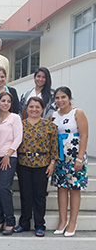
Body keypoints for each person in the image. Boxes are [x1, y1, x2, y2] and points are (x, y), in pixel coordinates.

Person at [14, 97, 58, 237]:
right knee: (26, 195)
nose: (34, 109)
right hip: (24, 164)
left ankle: (40, 225)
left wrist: (52, 164)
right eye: (31, 107)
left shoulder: (50, 125)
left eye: (37, 107)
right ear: (26, 109)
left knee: (39, 196)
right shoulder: (20, 125)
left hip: (42, 164)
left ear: (42, 109)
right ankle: (24, 223)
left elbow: (54, 147)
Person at [50, 87, 88, 237]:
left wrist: (80, 158)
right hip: (60, 156)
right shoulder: (52, 115)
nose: (60, 100)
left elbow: (84, 136)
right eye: (57, 98)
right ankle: (62, 220)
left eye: (63, 97)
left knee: (74, 188)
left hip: (74, 155)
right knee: (61, 188)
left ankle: (73, 221)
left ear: (70, 98)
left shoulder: (77, 113)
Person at [0, 92, 23, 235]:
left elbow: (18, 138)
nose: (5, 103)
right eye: (3, 101)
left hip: (9, 157)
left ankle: (10, 221)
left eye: (8, 101)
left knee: (3, 188)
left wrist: (8, 154)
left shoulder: (14, 118)